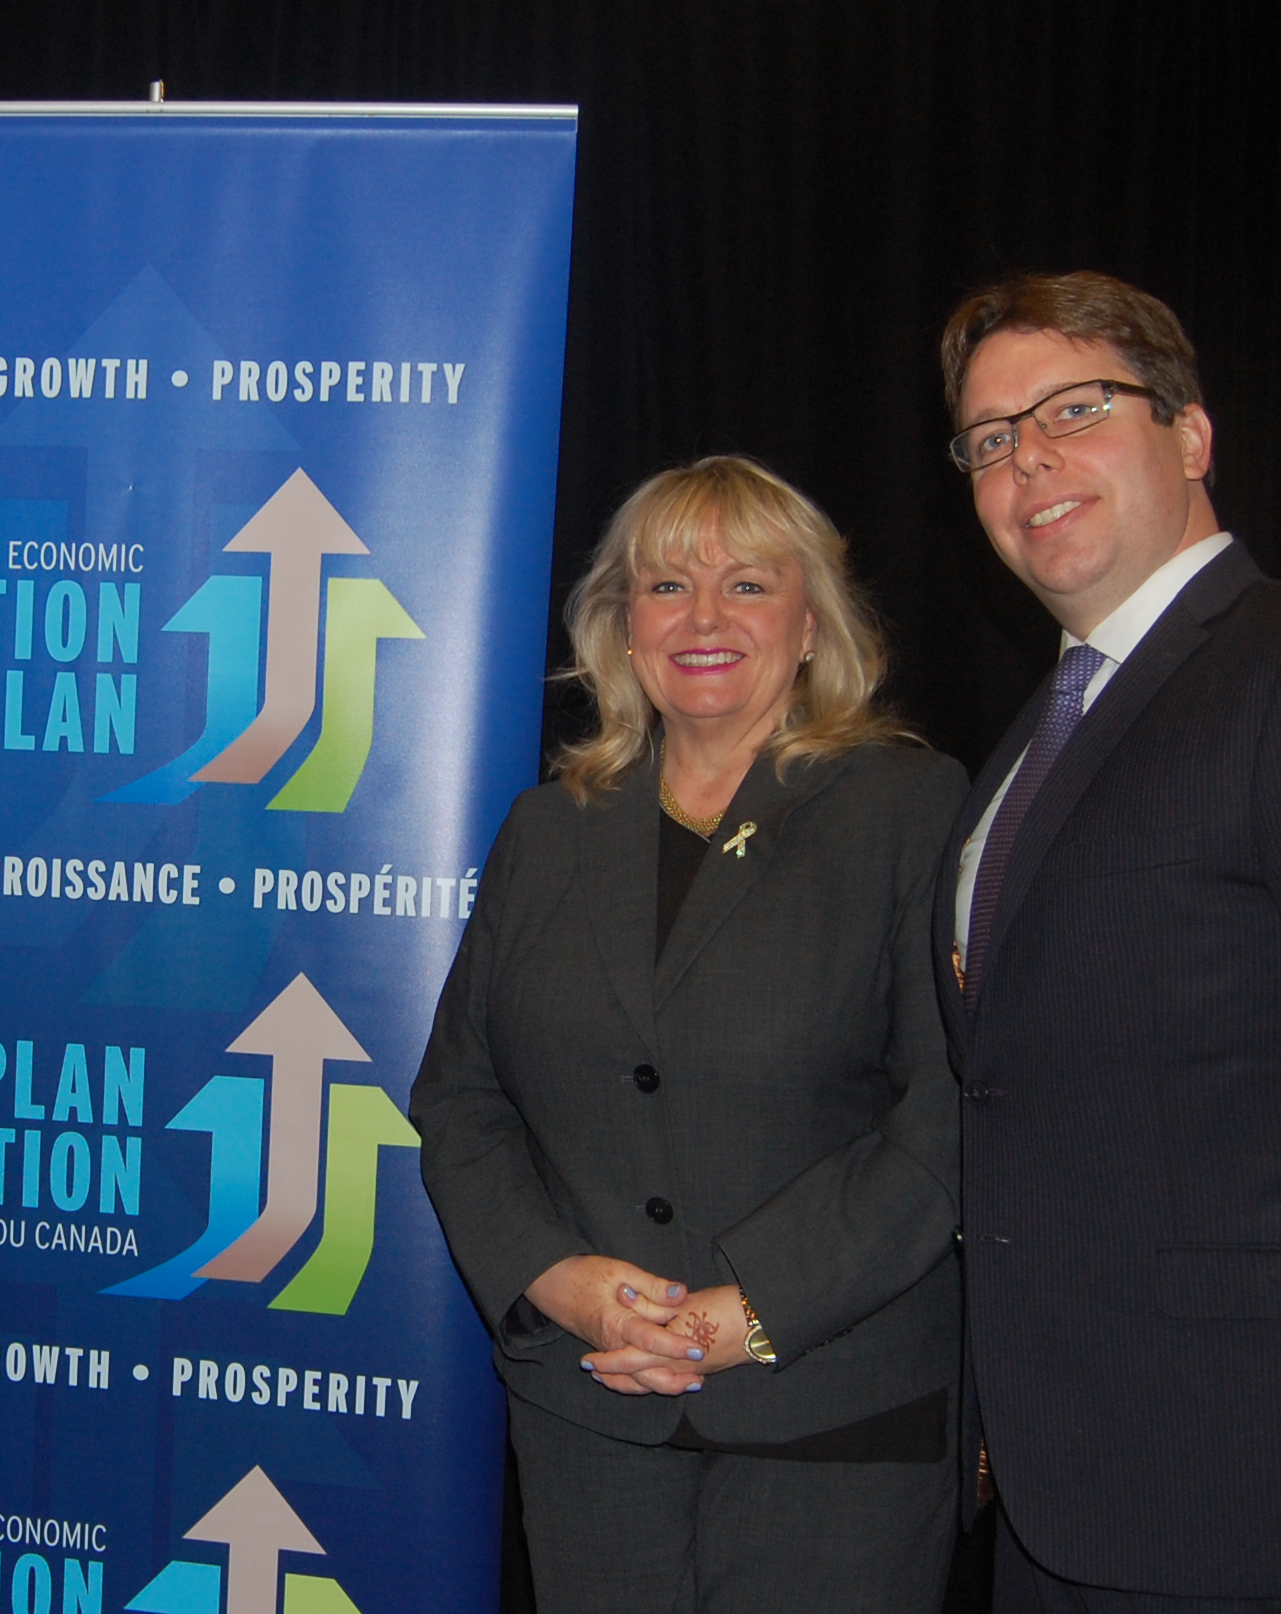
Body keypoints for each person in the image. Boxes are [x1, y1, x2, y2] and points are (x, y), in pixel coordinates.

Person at [934, 270, 1281, 1610]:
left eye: (1072, 408)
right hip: (1070, 1500)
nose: (1026, 458)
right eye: (988, 437)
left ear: (1191, 434)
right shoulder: (1030, 744)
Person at [411, 455, 968, 1612]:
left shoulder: (910, 812)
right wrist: (559, 1283)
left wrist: (751, 1311)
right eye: (666, 587)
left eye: (749, 585)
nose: (703, 618)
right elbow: (462, 1099)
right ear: (621, 625)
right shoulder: (547, 828)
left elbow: (951, 1113)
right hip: (590, 1419)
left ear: (813, 622)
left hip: (836, 1422)